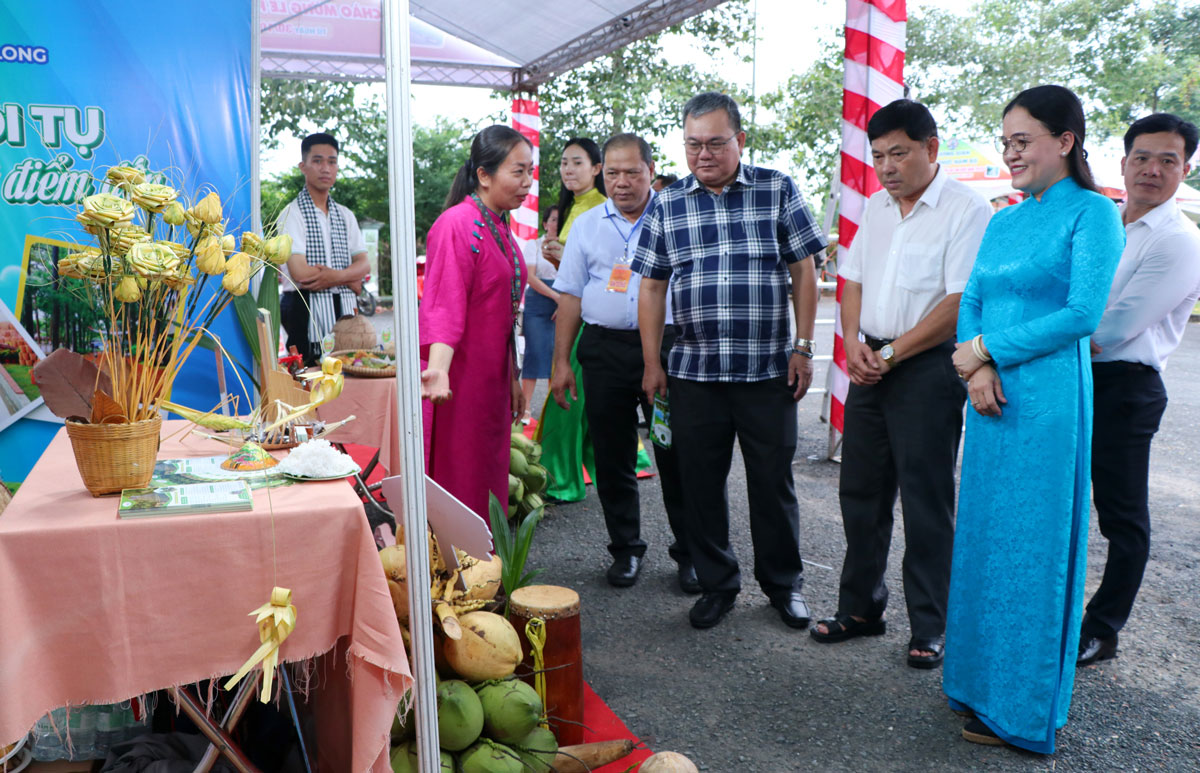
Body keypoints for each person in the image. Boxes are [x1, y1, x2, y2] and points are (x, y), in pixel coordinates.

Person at [946, 85, 1124, 752]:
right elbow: (973, 298)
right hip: (989, 397)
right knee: (983, 537)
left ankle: (1020, 711)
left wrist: (989, 349)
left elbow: (1082, 314)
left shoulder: (1094, 213)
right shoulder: (1004, 220)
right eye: (1006, 143)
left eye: (1022, 141)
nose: (1010, 154)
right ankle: (973, 684)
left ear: (1066, 140)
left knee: (1032, 547)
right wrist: (976, 367)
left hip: (1048, 402)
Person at [633, 92, 826, 630]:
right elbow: (651, 287)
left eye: (716, 143)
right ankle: (718, 584)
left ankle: (783, 585)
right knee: (699, 485)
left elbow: (804, 270)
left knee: (772, 483)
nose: (704, 154)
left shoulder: (776, 189)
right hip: (694, 374)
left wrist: (803, 347)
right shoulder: (668, 203)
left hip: (767, 372)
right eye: (693, 144)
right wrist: (652, 364)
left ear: (740, 140)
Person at [809, 100, 991, 668]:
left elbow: (959, 301)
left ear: (931, 148)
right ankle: (861, 609)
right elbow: (852, 281)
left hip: (928, 369)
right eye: (879, 155)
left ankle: (930, 626)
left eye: (899, 153)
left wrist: (890, 354)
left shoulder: (966, 209)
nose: (887, 167)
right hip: (870, 362)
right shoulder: (877, 207)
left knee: (925, 499)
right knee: (860, 493)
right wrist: (854, 344)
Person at [1078, 113, 1200, 666]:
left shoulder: (1180, 241)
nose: (1152, 169)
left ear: (1185, 169)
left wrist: (1039, 338)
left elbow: (1113, 328)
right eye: (1142, 158)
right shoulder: (1104, 220)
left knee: (1121, 516)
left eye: (1167, 160)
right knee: (1058, 499)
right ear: (1123, 163)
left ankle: (1103, 628)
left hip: (1125, 387)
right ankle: (1050, 612)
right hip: (1073, 374)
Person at [549, 133, 695, 592]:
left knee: (676, 453)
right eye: (612, 173)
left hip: (667, 351)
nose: (622, 182)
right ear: (602, 175)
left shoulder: (676, 217)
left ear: (651, 170)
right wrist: (560, 363)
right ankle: (626, 549)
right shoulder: (587, 224)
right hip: (604, 350)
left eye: (632, 172)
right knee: (613, 456)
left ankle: (691, 553)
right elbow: (570, 295)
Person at [419, 125, 533, 518]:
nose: (527, 182)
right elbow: (443, 306)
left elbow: (505, 310)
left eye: (530, 171)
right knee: (463, 480)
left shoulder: (499, 224)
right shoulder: (457, 224)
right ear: (484, 175)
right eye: (518, 172)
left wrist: (512, 376)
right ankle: (459, 558)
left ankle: (485, 556)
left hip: (491, 382)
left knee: (488, 480)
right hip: (459, 383)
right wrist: (439, 371)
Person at [535, 138, 608, 502]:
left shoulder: (600, 209)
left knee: (566, 396)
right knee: (574, 396)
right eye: (564, 163)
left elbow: (604, 271)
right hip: (571, 310)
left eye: (577, 162)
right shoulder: (576, 207)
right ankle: (585, 470)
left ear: (596, 168)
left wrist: (563, 261)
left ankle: (560, 480)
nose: (568, 170)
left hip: (587, 316)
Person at [278, 132, 370, 364]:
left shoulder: (345, 215)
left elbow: (365, 264)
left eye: (332, 162)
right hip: (303, 307)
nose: (326, 168)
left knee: (349, 368)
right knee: (310, 373)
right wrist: (349, 279)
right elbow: (300, 272)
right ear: (303, 166)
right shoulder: (292, 213)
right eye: (317, 161)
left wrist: (332, 277)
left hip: (345, 310)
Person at [520, 206, 561, 424]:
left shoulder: (569, 246)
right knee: (534, 353)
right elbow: (530, 277)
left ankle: (554, 409)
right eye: (552, 219)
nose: (555, 223)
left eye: (559, 219)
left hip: (564, 304)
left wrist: (564, 303)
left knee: (559, 356)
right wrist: (556, 297)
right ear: (545, 223)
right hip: (538, 303)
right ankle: (525, 407)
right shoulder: (534, 245)